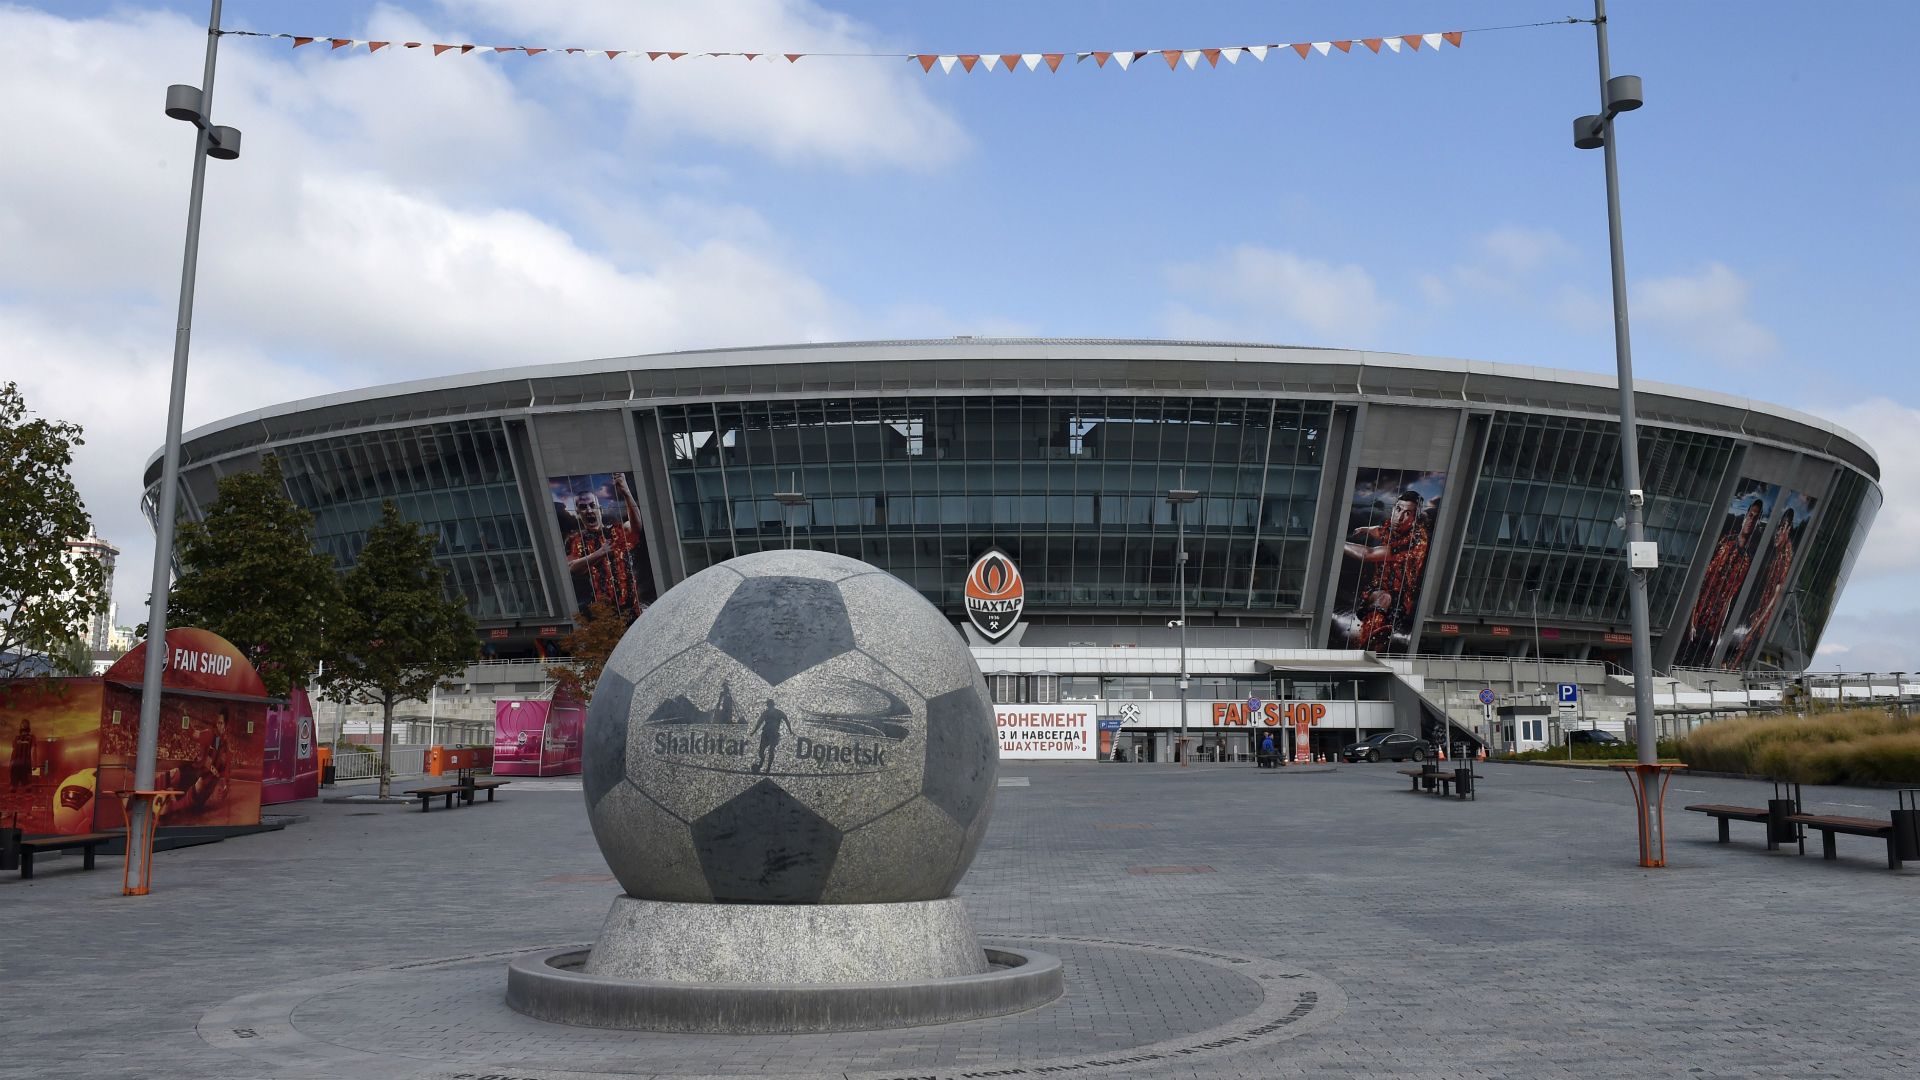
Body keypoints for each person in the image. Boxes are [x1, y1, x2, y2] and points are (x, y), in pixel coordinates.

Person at [1334, 489, 1431, 652]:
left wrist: (1337, 543)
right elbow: (1381, 530)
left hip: (1400, 597)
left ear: (1415, 518)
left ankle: (1370, 645)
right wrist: (1366, 529)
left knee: (1384, 598)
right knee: (1381, 596)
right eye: (1398, 509)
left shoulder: (1415, 541)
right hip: (1377, 587)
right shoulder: (1395, 528)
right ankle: (1368, 642)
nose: (1399, 517)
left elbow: (1368, 554)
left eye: (1407, 513)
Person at [1678, 497, 1765, 666]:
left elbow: (1728, 599)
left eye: (1755, 518)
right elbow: (1701, 580)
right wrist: (1691, 622)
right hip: (1694, 618)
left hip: (1709, 629)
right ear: (1745, 516)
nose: (1751, 520)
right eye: (1750, 515)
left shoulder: (1746, 560)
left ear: (1758, 523)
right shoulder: (1725, 542)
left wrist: (1716, 639)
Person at [565, 474, 646, 621]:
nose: (589, 510)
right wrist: (600, 553)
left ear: (599, 509)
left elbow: (636, 526)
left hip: (631, 611)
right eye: (583, 507)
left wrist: (626, 492)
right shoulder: (575, 540)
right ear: (577, 513)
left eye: (592, 506)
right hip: (602, 616)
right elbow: (572, 567)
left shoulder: (616, 531)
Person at [1727, 507, 1797, 670]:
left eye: (1781, 528)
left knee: (1742, 650)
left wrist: (1753, 629)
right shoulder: (1781, 553)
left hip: (1762, 623)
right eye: (1777, 527)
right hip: (1760, 618)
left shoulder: (1784, 557)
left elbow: (1774, 597)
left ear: (1788, 528)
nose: (1777, 533)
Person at [159, 709, 231, 812]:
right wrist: (185, 718)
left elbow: (225, 773)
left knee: (200, 782)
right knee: (174, 773)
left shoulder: (226, 750)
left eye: (221, 723)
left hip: (205, 784)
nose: (218, 725)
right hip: (196, 773)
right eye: (217, 723)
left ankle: (173, 808)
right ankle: (145, 791)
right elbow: (193, 734)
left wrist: (224, 787)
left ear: (226, 726)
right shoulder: (210, 735)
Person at [750, 698, 793, 774]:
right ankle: (761, 763)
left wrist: (790, 731)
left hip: (774, 734)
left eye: (769, 704)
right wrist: (754, 732)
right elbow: (759, 722)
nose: (768, 706)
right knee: (761, 751)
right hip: (766, 733)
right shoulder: (766, 713)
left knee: (771, 750)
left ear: (772, 705)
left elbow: (786, 720)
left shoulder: (779, 712)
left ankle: (768, 768)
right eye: (768, 704)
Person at [10, 718, 32, 788]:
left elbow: (33, 750)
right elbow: (14, 750)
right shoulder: (16, 737)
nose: (24, 725)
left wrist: (34, 764)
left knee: (27, 785)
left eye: (26, 723)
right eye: (23, 723)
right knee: (13, 786)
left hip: (25, 762)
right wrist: (11, 762)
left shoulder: (31, 737)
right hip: (16, 762)